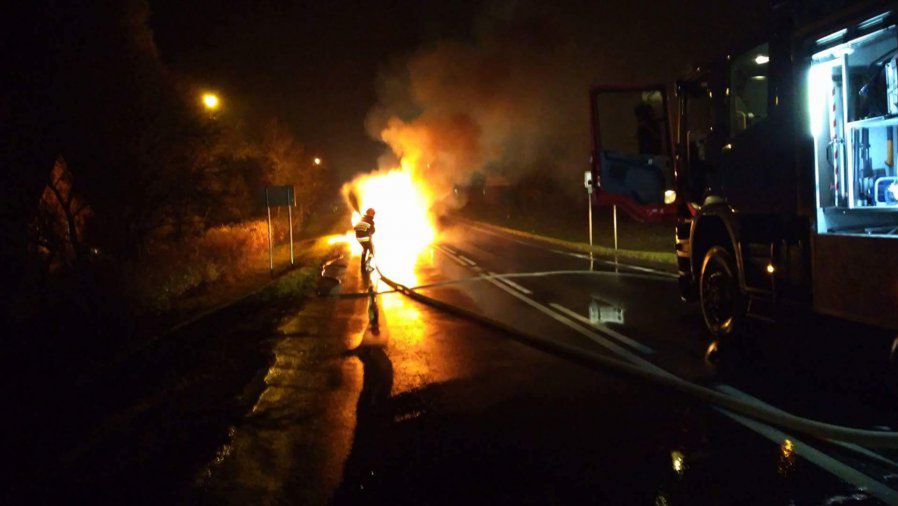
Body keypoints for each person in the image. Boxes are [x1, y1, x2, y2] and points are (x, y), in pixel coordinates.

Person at [354, 208, 376, 274]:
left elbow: (355, 228)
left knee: (365, 248)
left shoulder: (361, 219)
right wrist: (369, 234)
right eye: (373, 213)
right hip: (365, 237)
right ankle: (368, 264)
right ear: (371, 214)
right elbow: (373, 231)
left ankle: (362, 263)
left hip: (358, 238)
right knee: (372, 251)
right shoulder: (371, 221)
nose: (373, 215)